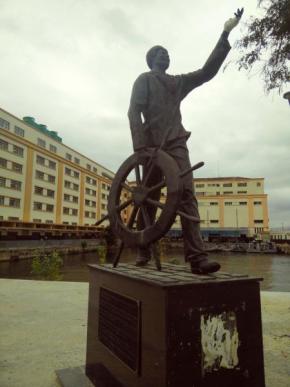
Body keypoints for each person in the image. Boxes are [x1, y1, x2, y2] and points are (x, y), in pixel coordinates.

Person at [128, 9, 244, 274]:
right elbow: (134, 111)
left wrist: (225, 32)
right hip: (151, 148)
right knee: (148, 198)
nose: (166, 55)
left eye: (168, 52)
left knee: (186, 194)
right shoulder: (143, 80)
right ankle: (143, 246)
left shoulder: (178, 83)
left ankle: (197, 257)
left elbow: (206, 71)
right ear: (151, 60)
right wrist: (140, 148)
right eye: (160, 53)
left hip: (176, 143)